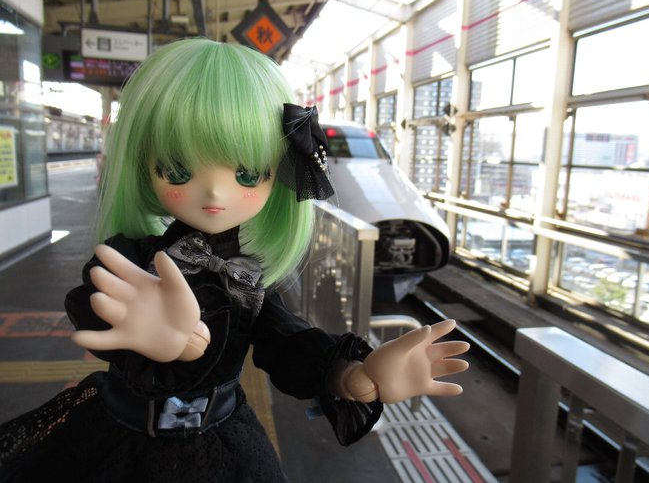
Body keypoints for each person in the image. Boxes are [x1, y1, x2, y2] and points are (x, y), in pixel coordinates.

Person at [0, 38, 469, 482]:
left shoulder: (250, 279)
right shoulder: (134, 258)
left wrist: (354, 375)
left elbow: (287, 341)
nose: (214, 193)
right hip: (120, 437)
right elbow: (90, 298)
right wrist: (140, 329)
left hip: (222, 441)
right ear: (142, 165)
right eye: (177, 169)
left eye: (247, 173)